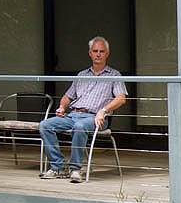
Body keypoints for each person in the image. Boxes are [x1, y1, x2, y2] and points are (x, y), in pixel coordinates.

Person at [38, 36, 127, 183]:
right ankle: (58, 167)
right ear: (90, 53)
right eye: (95, 51)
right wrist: (62, 106)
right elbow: (68, 96)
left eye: (102, 51)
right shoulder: (82, 75)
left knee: (79, 127)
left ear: (107, 54)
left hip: (95, 118)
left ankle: (75, 169)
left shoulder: (114, 75)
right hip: (73, 115)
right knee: (45, 125)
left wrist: (103, 111)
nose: (98, 54)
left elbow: (121, 98)